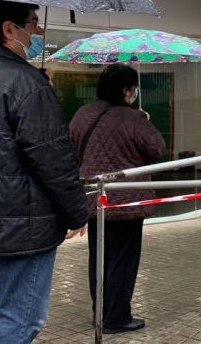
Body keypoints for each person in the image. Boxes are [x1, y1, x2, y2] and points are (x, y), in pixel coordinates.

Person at [0, 0, 89, 343]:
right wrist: (77, 212)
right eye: (33, 22)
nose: (40, 31)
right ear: (8, 29)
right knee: (21, 318)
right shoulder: (26, 84)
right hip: (23, 226)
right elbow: (53, 159)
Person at [69, 64, 166, 335]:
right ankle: (117, 317)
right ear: (126, 90)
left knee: (98, 259)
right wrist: (144, 121)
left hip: (92, 200)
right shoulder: (134, 119)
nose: (134, 93)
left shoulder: (82, 114)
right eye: (133, 89)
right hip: (126, 204)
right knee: (123, 261)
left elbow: (72, 149)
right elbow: (156, 150)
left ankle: (99, 312)